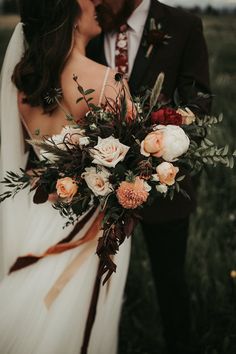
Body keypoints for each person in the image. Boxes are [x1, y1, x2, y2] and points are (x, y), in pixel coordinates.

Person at [0, 0, 131, 353]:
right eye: (88, 0)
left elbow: (19, 157)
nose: (97, 3)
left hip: (36, 214)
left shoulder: (24, 84)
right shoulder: (108, 82)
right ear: (70, 16)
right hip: (91, 228)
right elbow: (135, 160)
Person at [87, 1, 211, 353]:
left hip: (165, 182)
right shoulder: (93, 27)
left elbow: (200, 105)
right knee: (97, 280)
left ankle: (179, 343)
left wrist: (160, 143)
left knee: (170, 279)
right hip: (98, 185)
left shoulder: (183, 25)